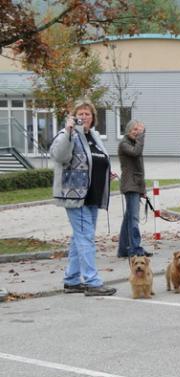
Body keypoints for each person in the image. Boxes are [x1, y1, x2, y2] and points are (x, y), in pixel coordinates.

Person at [50, 99, 116, 296]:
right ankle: (92, 281)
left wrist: (106, 173)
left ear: (93, 117)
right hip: (75, 196)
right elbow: (59, 156)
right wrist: (69, 132)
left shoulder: (94, 136)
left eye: (88, 113)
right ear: (73, 116)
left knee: (80, 238)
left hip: (93, 195)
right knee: (86, 237)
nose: (84, 117)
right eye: (80, 113)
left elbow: (96, 160)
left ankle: (71, 280)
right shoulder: (67, 134)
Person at [117, 120, 153, 258]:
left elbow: (140, 170)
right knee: (133, 219)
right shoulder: (124, 144)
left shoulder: (134, 143)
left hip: (136, 185)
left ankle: (123, 249)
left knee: (128, 219)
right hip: (129, 185)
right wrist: (142, 137)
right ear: (128, 131)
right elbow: (136, 152)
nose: (137, 133)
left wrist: (142, 189)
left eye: (139, 130)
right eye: (134, 130)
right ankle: (135, 249)